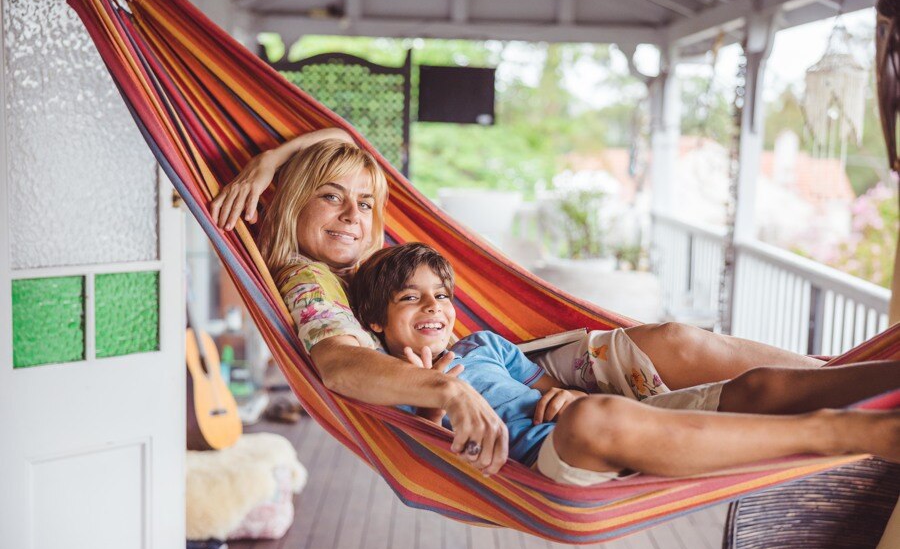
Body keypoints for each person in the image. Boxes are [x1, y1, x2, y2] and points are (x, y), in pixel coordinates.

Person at [210, 129, 837, 475]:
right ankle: (840, 410)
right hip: (496, 399)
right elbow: (339, 363)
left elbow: (344, 138)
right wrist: (451, 392)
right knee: (641, 389)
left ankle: (840, 376)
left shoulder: (371, 261)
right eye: (330, 197)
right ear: (294, 204)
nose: (353, 215)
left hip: (507, 362)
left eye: (365, 203)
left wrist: (271, 158)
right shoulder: (310, 280)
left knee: (676, 340)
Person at [348, 242, 900, 484]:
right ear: (374, 320)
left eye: (441, 296)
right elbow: (421, 454)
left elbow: (550, 387)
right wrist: (433, 402)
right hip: (555, 461)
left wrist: (564, 394)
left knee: (761, 388)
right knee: (596, 419)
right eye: (410, 298)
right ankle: (842, 432)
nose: (433, 307)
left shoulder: (485, 346)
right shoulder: (388, 382)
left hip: (627, 426)